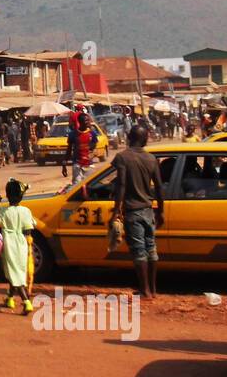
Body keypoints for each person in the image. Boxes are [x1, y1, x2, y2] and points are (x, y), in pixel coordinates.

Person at [112, 124, 164, 298]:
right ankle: (153, 289)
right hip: (149, 210)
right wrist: (161, 211)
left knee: (139, 251)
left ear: (129, 137)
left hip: (133, 211)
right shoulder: (151, 159)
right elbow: (158, 187)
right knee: (151, 248)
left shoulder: (122, 157)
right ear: (144, 139)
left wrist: (115, 211)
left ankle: (144, 290)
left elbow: (121, 185)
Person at [0, 178, 35, 314]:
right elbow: (29, 228)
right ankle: (10, 298)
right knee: (17, 271)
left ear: (8, 195)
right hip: (22, 243)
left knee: (13, 272)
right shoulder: (26, 211)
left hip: (9, 243)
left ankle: (26, 302)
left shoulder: (3, 212)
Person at [66, 112, 100, 186]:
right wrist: (64, 163)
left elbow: (95, 146)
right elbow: (69, 149)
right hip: (77, 164)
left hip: (89, 164)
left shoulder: (92, 133)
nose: (88, 122)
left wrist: (92, 152)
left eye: (88, 120)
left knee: (89, 185)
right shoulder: (73, 134)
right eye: (86, 120)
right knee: (76, 186)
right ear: (80, 122)